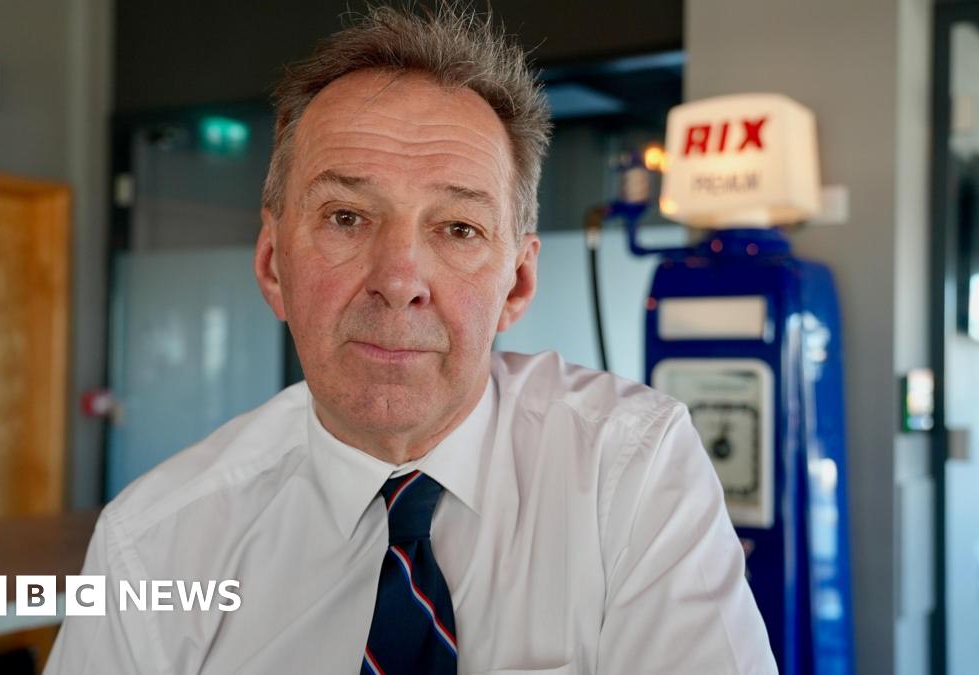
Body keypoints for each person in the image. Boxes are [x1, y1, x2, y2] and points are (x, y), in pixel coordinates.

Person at [45, 5, 776, 674]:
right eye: (345, 217)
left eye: (458, 228)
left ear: (516, 286)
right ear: (273, 265)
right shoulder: (150, 546)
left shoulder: (633, 473)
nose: (399, 279)